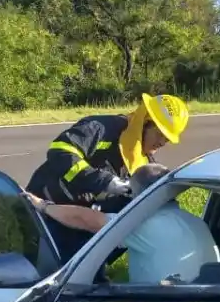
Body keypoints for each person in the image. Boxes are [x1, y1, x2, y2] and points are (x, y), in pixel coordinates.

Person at [26, 93, 190, 262]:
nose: (162, 142)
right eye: (160, 134)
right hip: (47, 209)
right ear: (144, 122)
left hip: (81, 225)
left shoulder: (144, 164)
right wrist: (104, 181)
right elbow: (60, 151)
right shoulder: (102, 128)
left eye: (167, 139)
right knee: (38, 266)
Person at [23, 163, 220, 284]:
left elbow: (86, 219)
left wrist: (43, 206)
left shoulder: (146, 226)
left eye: (131, 193)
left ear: (141, 195)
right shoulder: (196, 222)